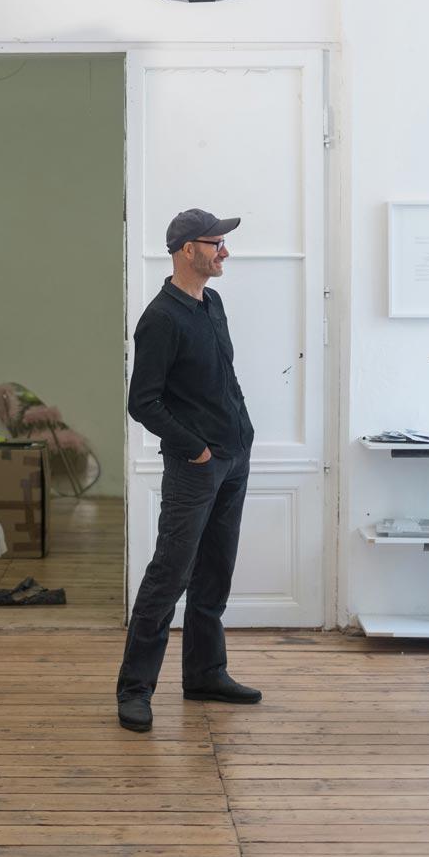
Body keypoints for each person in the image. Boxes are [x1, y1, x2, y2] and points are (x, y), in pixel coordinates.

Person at [117, 208, 260, 733]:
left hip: (234, 457)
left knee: (215, 571)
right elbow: (143, 403)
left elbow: (225, 376)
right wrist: (196, 449)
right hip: (195, 467)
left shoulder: (211, 303)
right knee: (169, 576)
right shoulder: (161, 318)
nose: (225, 252)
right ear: (186, 250)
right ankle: (135, 690)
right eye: (216, 243)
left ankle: (204, 674)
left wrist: (243, 433)